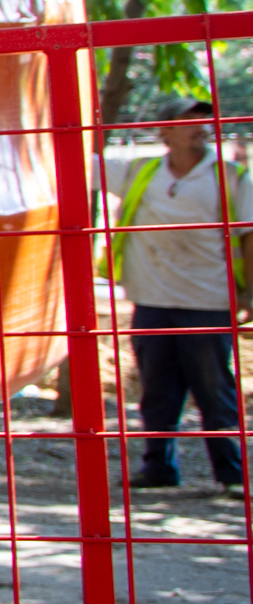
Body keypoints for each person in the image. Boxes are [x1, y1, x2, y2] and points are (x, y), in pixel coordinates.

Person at [105, 99, 253, 490]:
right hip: (151, 298)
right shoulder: (140, 171)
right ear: (165, 130)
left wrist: (250, 294)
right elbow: (72, 163)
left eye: (204, 121)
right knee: (155, 390)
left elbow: (249, 236)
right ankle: (158, 468)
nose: (200, 127)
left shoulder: (232, 177)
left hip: (206, 301)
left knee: (214, 389)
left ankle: (232, 474)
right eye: (188, 121)